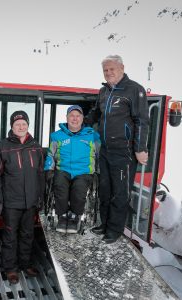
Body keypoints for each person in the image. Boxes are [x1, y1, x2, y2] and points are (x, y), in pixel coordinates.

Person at [85, 54, 149, 244]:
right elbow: (96, 113)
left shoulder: (134, 90)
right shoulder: (104, 91)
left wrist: (140, 148)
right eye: (105, 70)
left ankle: (114, 230)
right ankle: (104, 224)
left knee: (120, 193)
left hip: (124, 152)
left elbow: (142, 121)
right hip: (106, 150)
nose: (108, 73)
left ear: (122, 68)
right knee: (104, 190)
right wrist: (80, 124)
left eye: (112, 69)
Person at [0, 111, 45, 285]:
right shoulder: (3, 147)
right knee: (10, 236)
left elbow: (40, 175)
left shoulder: (36, 147)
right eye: (17, 124)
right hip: (11, 202)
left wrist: (40, 198)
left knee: (28, 235)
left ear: (28, 125)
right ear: (12, 127)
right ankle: (11, 269)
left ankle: (25, 264)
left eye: (23, 124)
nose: (21, 127)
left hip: (30, 202)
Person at [44, 105, 100, 233]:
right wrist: (48, 169)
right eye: (72, 116)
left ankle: (75, 216)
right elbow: (50, 154)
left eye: (78, 116)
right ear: (67, 118)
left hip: (83, 171)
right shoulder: (57, 136)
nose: (75, 119)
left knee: (79, 191)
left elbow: (99, 155)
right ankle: (62, 216)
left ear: (82, 119)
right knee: (60, 188)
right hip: (63, 170)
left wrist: (100, 172)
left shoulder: (93, 136)